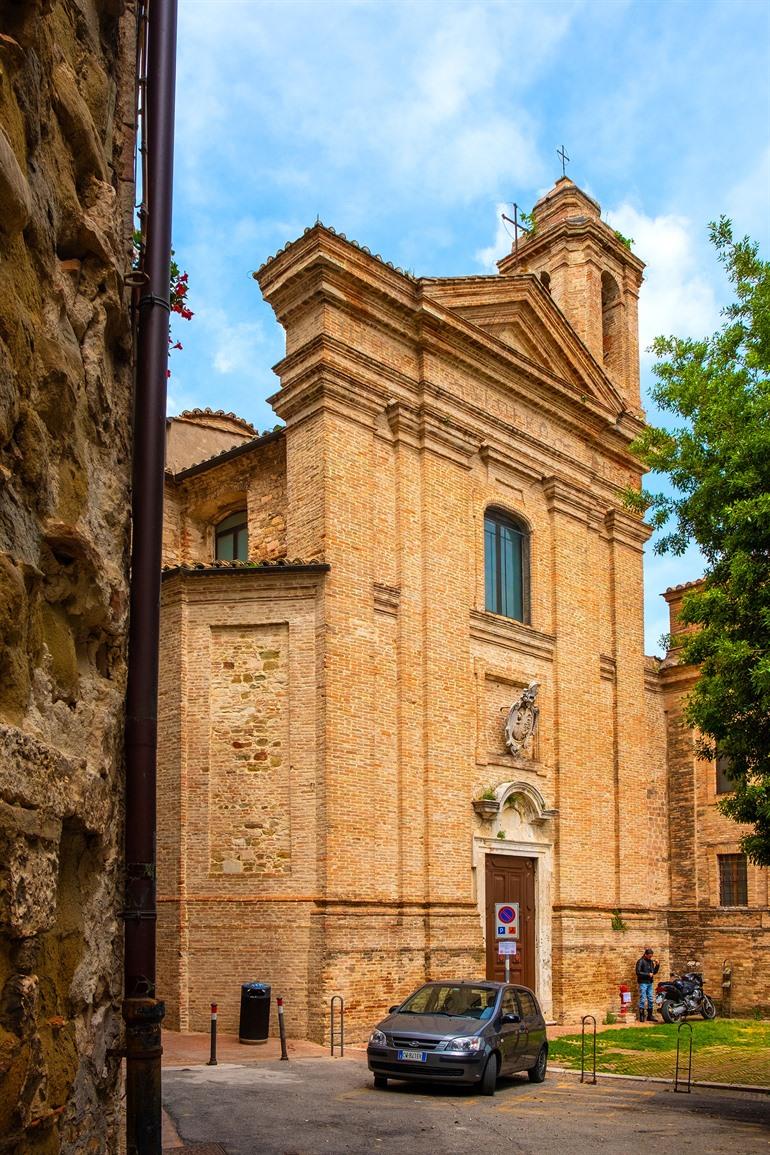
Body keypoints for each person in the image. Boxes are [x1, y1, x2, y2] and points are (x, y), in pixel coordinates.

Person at [635, 947, 660, 1021]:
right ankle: (642, 1016)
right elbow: (638, 972)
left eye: (651, 956)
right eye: (649, 956)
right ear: (645, 954)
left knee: (650, 999)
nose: (650, 957)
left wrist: (657, 965)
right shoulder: (640, 961)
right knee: (643, 999)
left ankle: (650, 1016)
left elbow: (654, 972)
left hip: (650, 983)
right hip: (643, 982)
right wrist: (647, 974)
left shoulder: (651, 962)